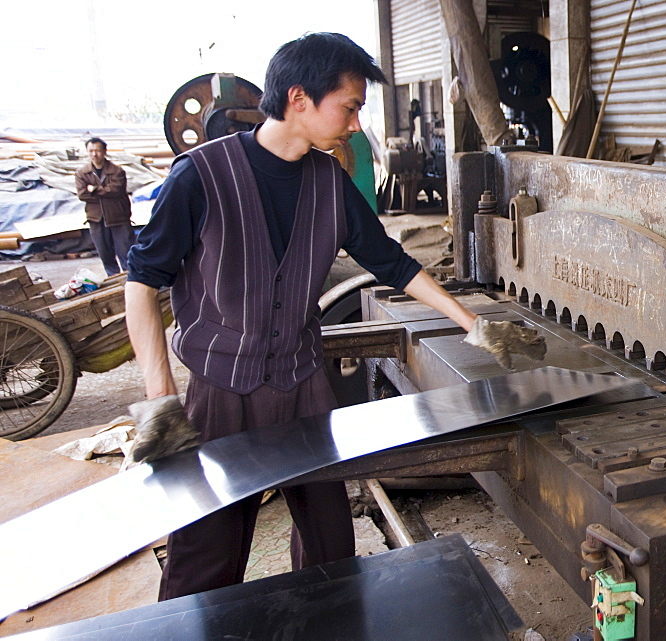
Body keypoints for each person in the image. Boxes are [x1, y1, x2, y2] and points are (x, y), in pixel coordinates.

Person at [124, 32, 544, 602]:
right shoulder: (199, 176)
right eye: (348, 107)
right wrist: (160, 398)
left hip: (303, 385)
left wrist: (472, 324)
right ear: (300, 98)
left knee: (329, 542)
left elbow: (391, 262)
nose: (353, 124)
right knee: (207, 550)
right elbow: (143, 282)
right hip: (220, 391)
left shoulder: (328, 181)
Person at [75, 137, 136, 275]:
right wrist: (104, 191)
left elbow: (117, 190)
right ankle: (113, 281)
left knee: (127, 253)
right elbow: (82, 194)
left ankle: (131, 280)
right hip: (96, 218)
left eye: (97, 150)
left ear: (104, 151)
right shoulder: (82, 173)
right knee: (105, 254)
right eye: (91, 151)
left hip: (118, 217)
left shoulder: (117, 171)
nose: (94, 154)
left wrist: (95, 190)